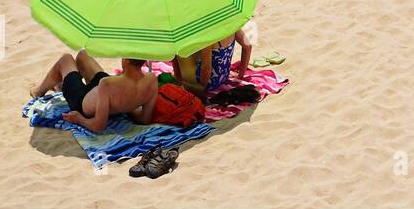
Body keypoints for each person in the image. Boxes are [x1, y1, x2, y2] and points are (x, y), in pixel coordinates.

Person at [31, 51, 159, 132]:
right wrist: (127, 106)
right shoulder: (152, 80)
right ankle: (62, 85)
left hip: (82, 103)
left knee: (66, 59)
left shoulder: (107, 83)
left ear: (125, 60)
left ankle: (38, 91)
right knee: (83, 55)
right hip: (106, 93)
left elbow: (98, 126)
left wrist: (79, 119)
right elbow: (145, 119)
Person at [170, 28, 253, 100]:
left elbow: (206, 69)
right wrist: (240, 75)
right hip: (224, 76)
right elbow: (248, 47)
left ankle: (178, 77)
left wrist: (201, 89)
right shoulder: (233, 26)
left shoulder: (210, 36)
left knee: (178, 47)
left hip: (209, 83)